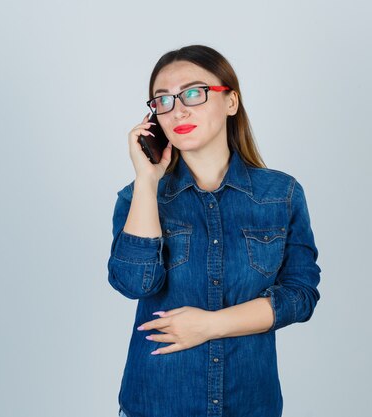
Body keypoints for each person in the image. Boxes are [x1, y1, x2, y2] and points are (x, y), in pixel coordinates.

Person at [107, 44, 321, 417]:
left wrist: (210, 325)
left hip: (250, 403)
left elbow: (300, 295)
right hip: (157, 404)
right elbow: (132, 283)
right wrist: (146, 180)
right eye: (164, 100)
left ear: (231, 102)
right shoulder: (138, 196)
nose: (179, 110)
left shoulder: (281, 194)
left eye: (193, 92)